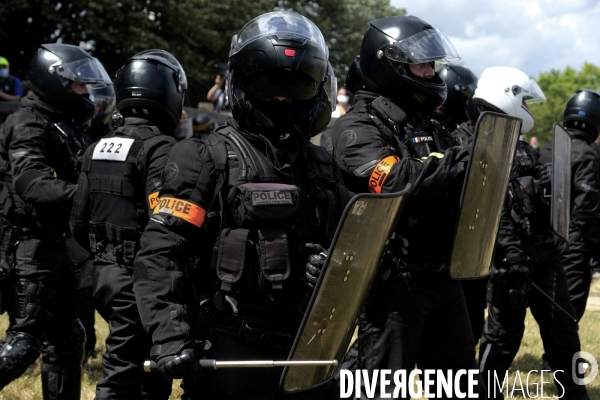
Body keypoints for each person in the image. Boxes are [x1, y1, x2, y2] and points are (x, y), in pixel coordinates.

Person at [133, 11, 348, 399]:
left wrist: (331, 266)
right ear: (242, 86)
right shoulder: (203, 157)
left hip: (310, 346)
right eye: (268, 87)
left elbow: (352, 250)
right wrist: (169, 335)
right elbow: (160, 254)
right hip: (231, 348)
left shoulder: (323, 165)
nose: (282, 100)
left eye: (295, 89)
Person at [330, 15, 487, 398]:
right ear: (390, 64)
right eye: (420, 62)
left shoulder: (429, 124)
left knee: (459, 387)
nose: (431, 71)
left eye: (432, 63)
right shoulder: (357, 128)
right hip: (393, 286)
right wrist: (461, 160)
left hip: (442, 278)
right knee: (380, 390)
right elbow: (397, 183)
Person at [0, 43, 111, 398]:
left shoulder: (62, 123)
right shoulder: (28, 123)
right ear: (55, 82)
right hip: (26, 246)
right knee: (24, 343)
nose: (86, 92)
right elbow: (31, 182)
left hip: (55, 244)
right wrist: (88, 198)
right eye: (80, 85)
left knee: (70, 336)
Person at [70, 49, 183, 400]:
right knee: (123, 375)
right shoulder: (159, 148)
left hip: (102, 276)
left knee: (145, 370)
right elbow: (163, 223)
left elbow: (78, 220)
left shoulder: (97, 146)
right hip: (139, 281)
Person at [475, 67, 588, 399]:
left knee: (563, 328)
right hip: (512, 260)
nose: (529, 107)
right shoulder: (485, 145)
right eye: (524, 100)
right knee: (503, 336)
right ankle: (483, 393)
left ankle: (574, 394)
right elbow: (491, 209)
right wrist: (511, 253)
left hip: (544, 252)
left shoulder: (521, 145)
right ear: (507, 97)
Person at [539, 89, 600, 322]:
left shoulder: (547, 147)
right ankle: (557, 359)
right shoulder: (585, 154)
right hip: (574, 242)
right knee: (570, 309)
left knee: (551, 303)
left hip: (545, 238)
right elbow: (587, 209)